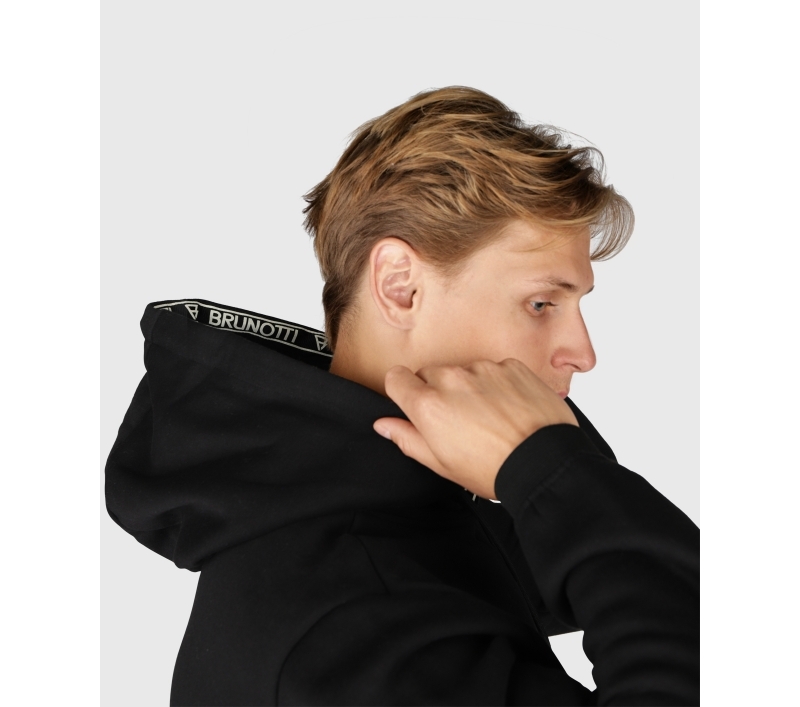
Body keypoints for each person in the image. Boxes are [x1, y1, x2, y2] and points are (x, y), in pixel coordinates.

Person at [105, 86, 700, 706]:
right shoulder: (366, 631)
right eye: (541, 303)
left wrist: (546, 475)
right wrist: (552, 472)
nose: (582, 351)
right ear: (400, 286)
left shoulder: (389, 530)